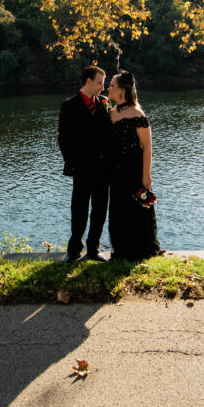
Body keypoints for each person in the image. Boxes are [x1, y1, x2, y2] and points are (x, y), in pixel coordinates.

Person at [106, 71, 162, 260]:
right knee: (118, 210)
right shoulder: (110, 114)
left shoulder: (138, 114)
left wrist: (147, 175)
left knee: (137, 210)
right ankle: (121, 251)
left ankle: (141, 251)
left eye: (112, 85)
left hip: (135, 170)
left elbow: (147, 147)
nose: (108, 88)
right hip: (115, 171)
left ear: (122, 90)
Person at [58, 66, 110, 262]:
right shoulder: (69, 106)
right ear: (88, 81)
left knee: (100, 210)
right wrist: (72, 164)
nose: (102, 87)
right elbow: (63, 139)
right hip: (81, 169)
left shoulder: (104, 104)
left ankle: (93, 249)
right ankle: (73, 251)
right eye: (99, 82)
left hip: (102, 169)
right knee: (79, 210)